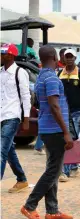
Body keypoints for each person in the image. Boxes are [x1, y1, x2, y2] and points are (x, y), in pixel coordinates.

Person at [21, 45, 73, 219]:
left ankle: (52, 210)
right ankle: (29, 205)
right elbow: (54, 105)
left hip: (48, 128)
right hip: (55, 129)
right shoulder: (51, 77)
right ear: (53, 56)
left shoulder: (42, 76)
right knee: (53, 171)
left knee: (53, 169)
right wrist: (66, 132)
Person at [1, 43, 30, 192]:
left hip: (12, 115)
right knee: (9, 149)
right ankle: (21, 179)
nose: (0, 56)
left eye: (2, 54)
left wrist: (26, 118)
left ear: (10, 56)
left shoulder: (20, 72)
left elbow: (26, 97)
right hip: (1, 115)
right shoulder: (0, 72)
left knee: (1, 149)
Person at [59, 49, 80, 182]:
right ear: (64, 59)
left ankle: (65, 171)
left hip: (77, 112)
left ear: (75, 58)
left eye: (72, 57)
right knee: (69, 139)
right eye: (67, 57)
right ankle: (73, 167)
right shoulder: (60, 74)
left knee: (71, 139)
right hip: (63, 112)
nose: (69, 59)